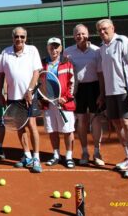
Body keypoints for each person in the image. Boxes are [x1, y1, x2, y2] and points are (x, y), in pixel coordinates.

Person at [96, 18, 128, 179]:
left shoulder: (123, 41)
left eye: (105, 28)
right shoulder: (102, 48)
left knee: (126, 124)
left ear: (112, 28)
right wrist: (102, 94)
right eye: (99, 30)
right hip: (110, 93)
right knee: (116, 124)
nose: (102, 32)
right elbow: (102, 74)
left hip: (124, 91)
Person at [0, 27, 42, 173]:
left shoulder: (32, 50)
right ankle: (27, 155)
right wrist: (1, 92)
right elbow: (2, 75)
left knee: (32, 125)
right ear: (13, 37)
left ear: (26, 38)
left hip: (29, 96)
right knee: (19, 126)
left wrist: (29, 90)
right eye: (17, 36)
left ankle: (36, 158)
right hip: (12, 96)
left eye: (22, 37)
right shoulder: (5, 52)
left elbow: (36, 72)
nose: (19, 39)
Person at [64, 24, 105, 166]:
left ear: (87, 34)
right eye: (77, 34)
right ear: (73, 36)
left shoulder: (97, 51)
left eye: (82, 33)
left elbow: (100, 74)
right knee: (81, 121)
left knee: (96, 121)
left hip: (94, 88)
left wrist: (102, 93)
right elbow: (65, 74)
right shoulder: (67, 52)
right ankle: (84, 152)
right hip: (78, 90)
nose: (80, 36)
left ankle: (97, 152)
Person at [42, 37, 76, 169]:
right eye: (51, 46)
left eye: (56, 46)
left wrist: (66, 98)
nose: (54, 49)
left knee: (68, 130)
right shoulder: (43, 63)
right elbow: (40, 83)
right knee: (52, 130)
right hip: (48, 103)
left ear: (61, 48)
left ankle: (68, 156)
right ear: (48, 48)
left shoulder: (67, 63)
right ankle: (56, 155)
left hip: (64, 103)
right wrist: (42, 98)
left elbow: (72, 83)